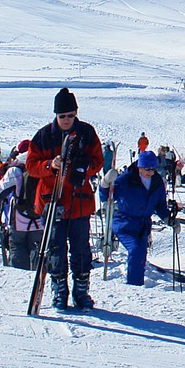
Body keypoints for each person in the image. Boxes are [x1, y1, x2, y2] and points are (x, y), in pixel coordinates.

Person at [26, 87, 105, 310]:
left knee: (81, 249)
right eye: (63, 116)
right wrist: (49, 165)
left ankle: (81, 292)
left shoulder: (87, 133)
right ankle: (59, 290)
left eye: (71, 115)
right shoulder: (43, 136)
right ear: (56, 116)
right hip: (53, 202)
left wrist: (86, 166)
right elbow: (31, 167)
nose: (67, 120)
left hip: (79, 201)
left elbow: (98, 160)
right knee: (55, 249)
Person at [109, 149, 171, 286]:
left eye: (153, 169)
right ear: (140, 167)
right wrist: (105, 182)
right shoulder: (126, 180)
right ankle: (134, 286)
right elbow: (105, 196)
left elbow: (160, 204)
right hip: (124, 223)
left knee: (141, 255)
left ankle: (138, 284)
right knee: (136, 250)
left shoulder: (156, 182)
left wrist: (168, 218)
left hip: (143, 226)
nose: (150, 172)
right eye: (147, 168)